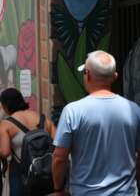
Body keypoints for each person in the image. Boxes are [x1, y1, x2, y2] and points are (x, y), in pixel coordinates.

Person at [52, 51, 140, 196]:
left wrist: (58, 189)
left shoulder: (73, 111)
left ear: (88, 75)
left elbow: (60, 157)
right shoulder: (134, 110)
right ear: (115, 77)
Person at [0, 88, 56, 196]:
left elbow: (5, 152)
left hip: (20, 173)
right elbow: (57, 143)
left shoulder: (6, 124)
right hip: (46, 171)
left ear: (6, 105)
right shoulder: (43, 118)